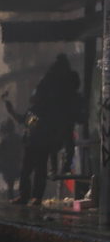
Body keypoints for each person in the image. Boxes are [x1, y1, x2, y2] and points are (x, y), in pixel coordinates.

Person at [5, 54, 81, 206]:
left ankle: (33, 197)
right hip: (36, 140)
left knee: (37, 169)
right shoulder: (37, 107)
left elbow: (26, 120)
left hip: (42, 139)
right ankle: (27, 196)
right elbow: (24, 120)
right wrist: (11, 111)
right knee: (29, 170)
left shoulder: (49, 102)